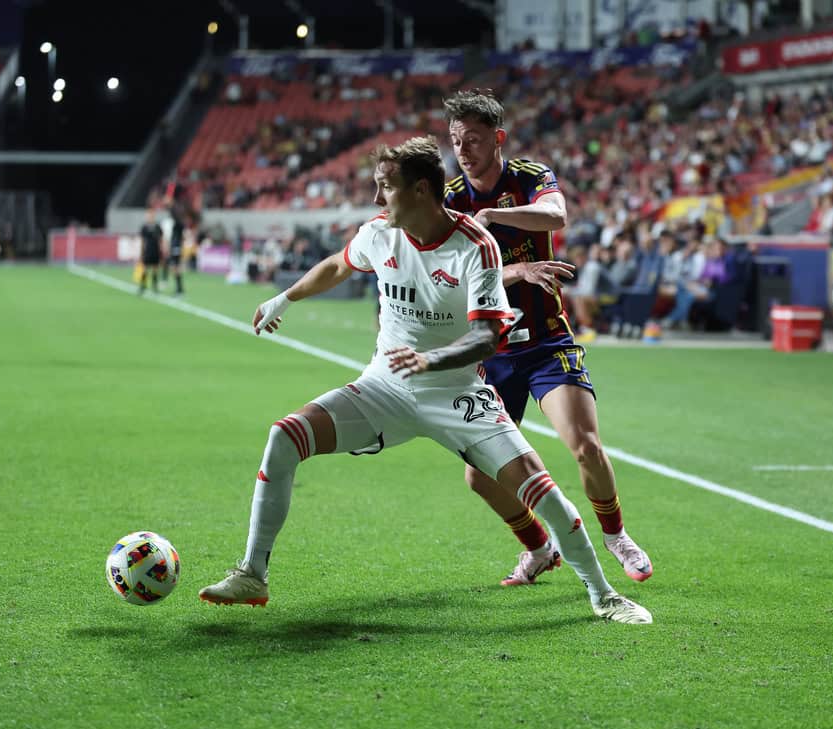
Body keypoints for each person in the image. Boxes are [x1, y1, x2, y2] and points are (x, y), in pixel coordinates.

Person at [199, 137, 651, 623]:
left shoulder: (476, 247)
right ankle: (252, 573)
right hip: (383, 389)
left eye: (385, 188)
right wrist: (283, 300)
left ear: (419, 190)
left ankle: (604, 596)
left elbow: (486, 337)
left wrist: (431, 361)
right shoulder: (379, 233)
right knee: (284, 436)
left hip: (457, 395)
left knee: (543, 491)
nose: (376, 200)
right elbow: (336, 264)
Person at [442, 90, 652, 587]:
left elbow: (556, 216)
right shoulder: (449, 196)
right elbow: (454, 274)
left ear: (498, 139)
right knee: (478, 476)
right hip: (491, 356)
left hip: (546, 344)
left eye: (472, 140)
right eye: (455, 141)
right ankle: (538, 548)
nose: (463, 151)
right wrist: (518, 269)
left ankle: (616, 535)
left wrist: (493, 219)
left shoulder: (530, 176)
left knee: (586, 446)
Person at [138, 208, 163, 295]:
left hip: (156, 250)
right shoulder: (144, 227)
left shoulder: (157, 227)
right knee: (145, 269)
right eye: (148, 216)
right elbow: (142, 241)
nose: (149, 217)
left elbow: (160, 240)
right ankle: (142, 286)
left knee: (155, 270)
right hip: (147, 251)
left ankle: (154, 287)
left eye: (151, 216)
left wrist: (162, 251)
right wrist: (141, 252)